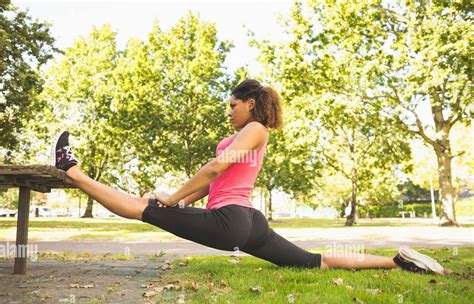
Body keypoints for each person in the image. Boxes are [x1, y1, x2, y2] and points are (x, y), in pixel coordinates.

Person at [51, 79, 444, 274]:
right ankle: (398, 262)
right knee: (313, 262)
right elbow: (211, 181)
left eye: (233, 104)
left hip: (231, 220)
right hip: (248, 223)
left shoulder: (256, 130)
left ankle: (71, 170)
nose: (229, 111)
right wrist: (182, 199)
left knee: (139, 209)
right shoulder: (241, 134)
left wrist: (170, 199)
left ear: (251, 104)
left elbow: (216, 168)